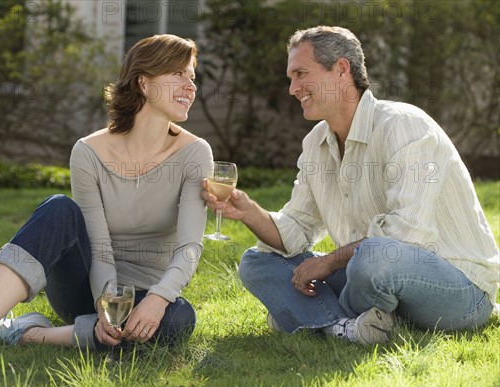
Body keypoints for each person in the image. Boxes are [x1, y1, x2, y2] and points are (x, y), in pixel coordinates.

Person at [0, 34, 213, 375]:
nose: (190, 86)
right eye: (179, 74)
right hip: (84, 285)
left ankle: (29, 334)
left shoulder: (195, 153)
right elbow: (100, 248)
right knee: (60, 207)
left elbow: (190, 247)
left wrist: (160, 299)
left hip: (147, 296)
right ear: (144, 83)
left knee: (179, 320)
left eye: (192, 77)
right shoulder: (89, 152)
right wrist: (106, 307)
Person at [202, 26, 499, 344]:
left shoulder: (405, 126)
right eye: (291, 77)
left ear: (341, 69)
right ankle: (350, 327)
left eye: (301, 74)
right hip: (367, 273)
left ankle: (312, 317)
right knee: (258, 262)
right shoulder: (316, 142)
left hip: (460, 288)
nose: (293, 88)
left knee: (373, 257)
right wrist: (249, 212)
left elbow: (407, 236)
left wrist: (328, 262)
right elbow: (298, 230)